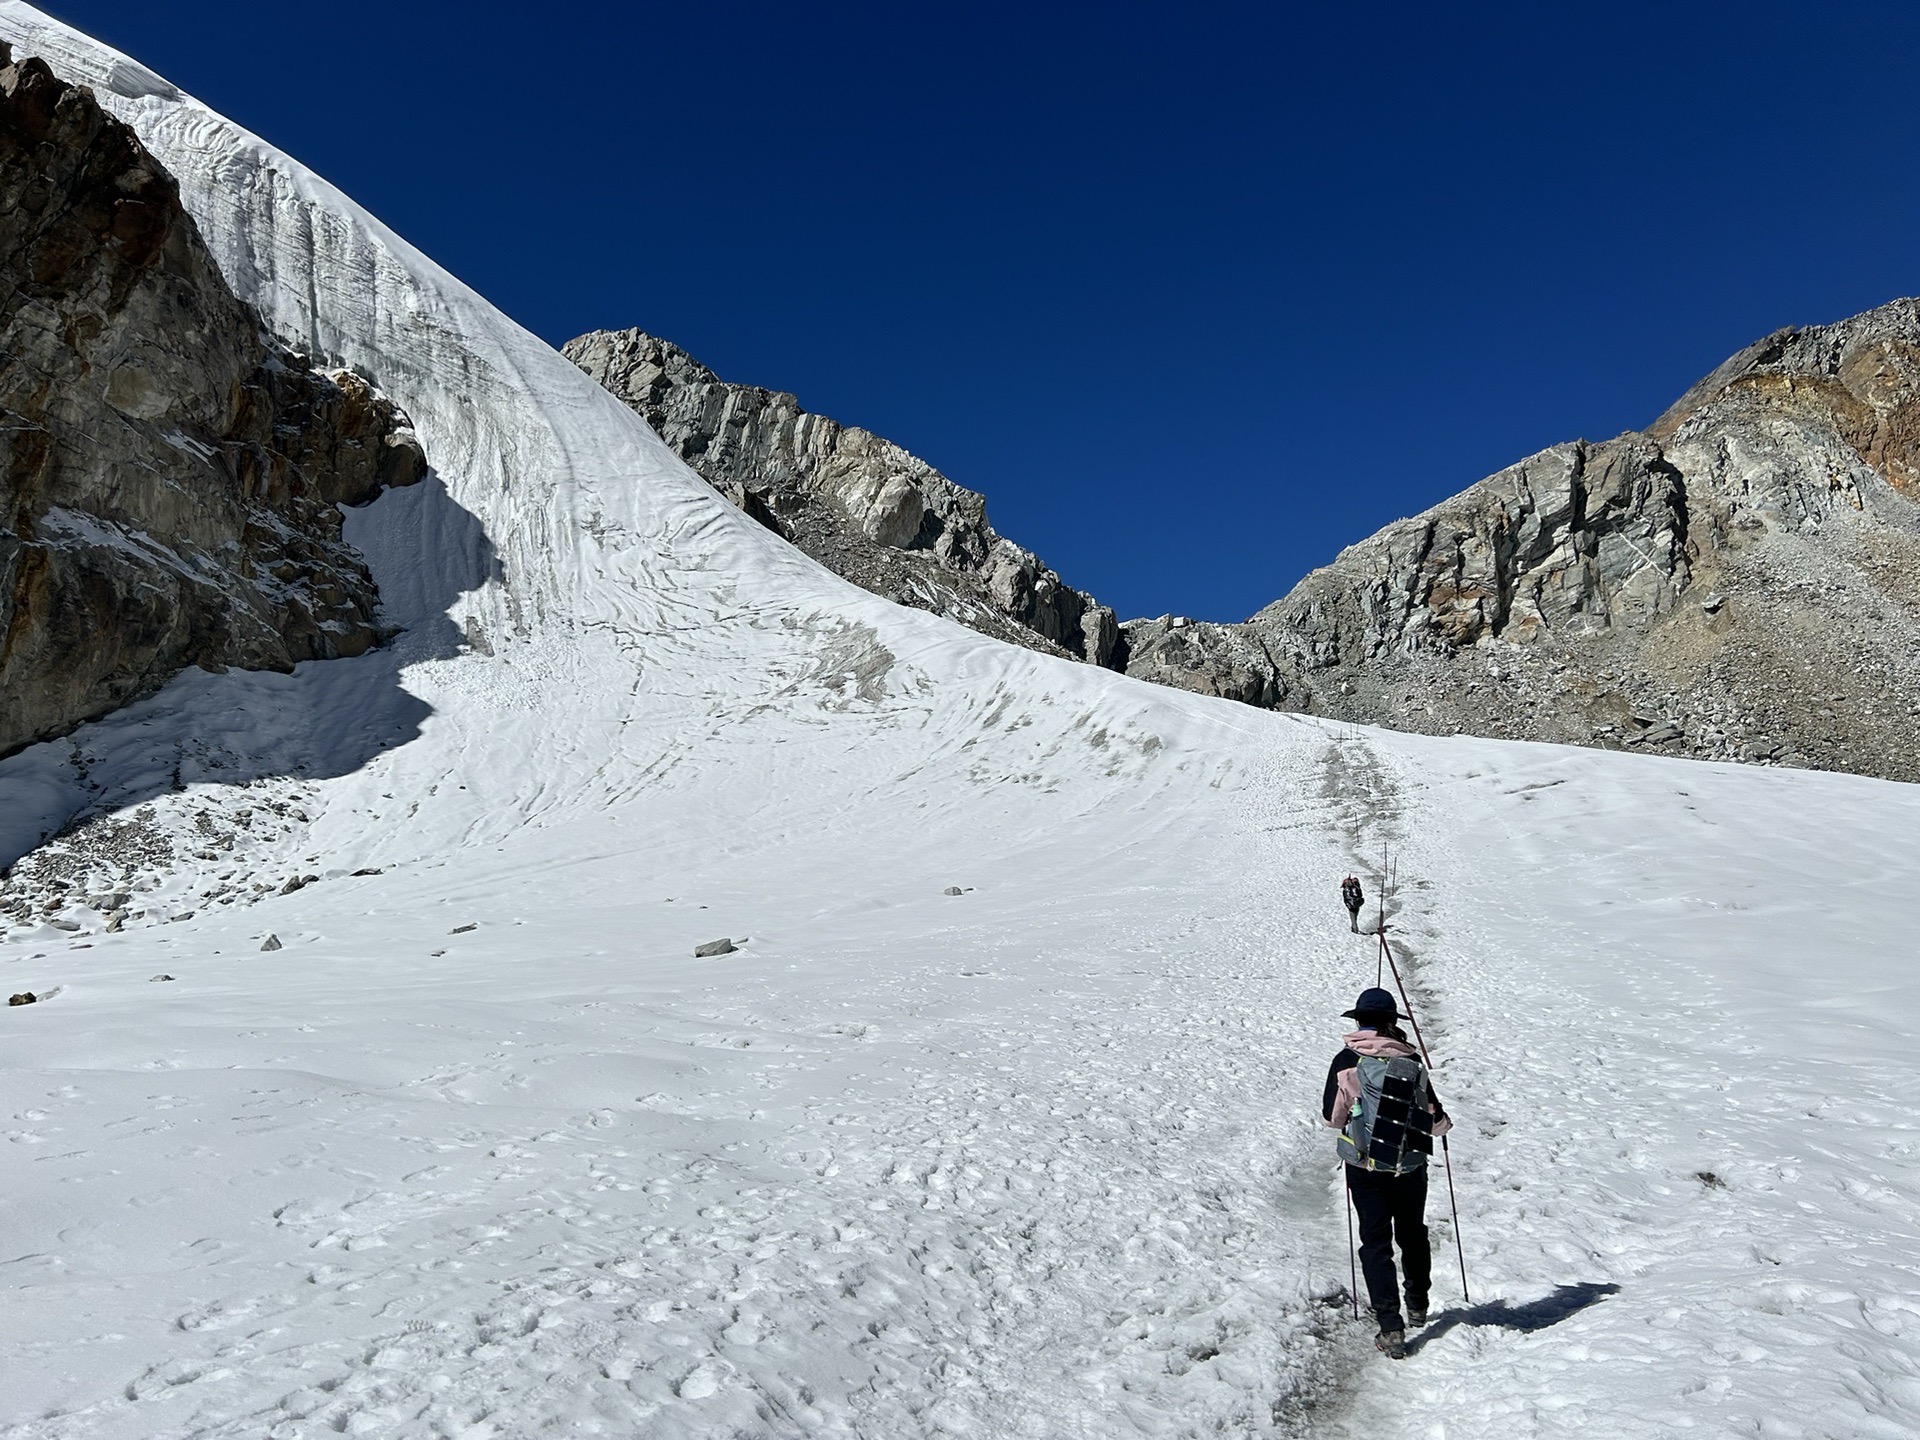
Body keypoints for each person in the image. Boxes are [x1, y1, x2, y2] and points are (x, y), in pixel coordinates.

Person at [1322, 986, 1451, 1359]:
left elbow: (1333, 1118)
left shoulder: (1346, 1060)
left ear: (1359, 1020)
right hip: (1410, 1165)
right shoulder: (1410, 1063)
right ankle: (1417, 1304)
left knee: (1375, 1243)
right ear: (1394, 1022)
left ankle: (1390, 1328)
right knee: (1412, 1233)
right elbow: (1435, 1120)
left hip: (1365, 1167)